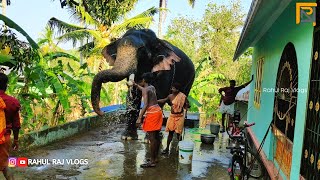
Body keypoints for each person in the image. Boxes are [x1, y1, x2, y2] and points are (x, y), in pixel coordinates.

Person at [132, 72, 163, 168]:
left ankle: (152, 161)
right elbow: (144, 90)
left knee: (152, 138)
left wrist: (139, 117)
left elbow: (145, 105)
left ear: (144, 80)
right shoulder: (151, 87)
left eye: (141, 80)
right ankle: (155, 158)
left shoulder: (145, 90)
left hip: (152, 113)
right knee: (156, 137)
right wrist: (136, 85)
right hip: (158, 111)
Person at [0, 72, 20, 180]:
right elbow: (16, 125)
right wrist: (16, 140)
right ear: (6, 85)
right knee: (4, 165)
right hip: (4, 138)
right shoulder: (12, 102)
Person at [158, 83, 189, 154]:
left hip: (180, 117)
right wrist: (156, 101)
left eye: (174, 88)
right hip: (172, 116)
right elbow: (164, 100)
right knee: (170, 133)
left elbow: (187, 104)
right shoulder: (170, 96)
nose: (172, 89)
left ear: (178, 90)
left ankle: (180, 148)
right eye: (172, 88)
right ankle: (167, 148)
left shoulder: (183, 96)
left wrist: (186, 106)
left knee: (178, 134)